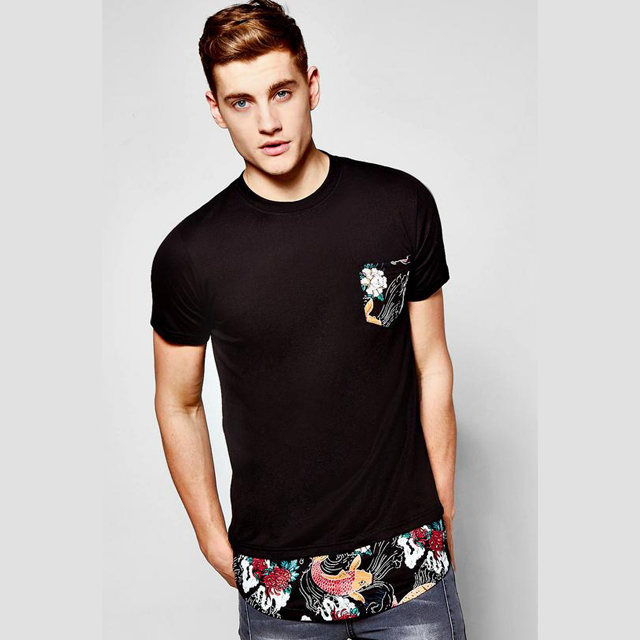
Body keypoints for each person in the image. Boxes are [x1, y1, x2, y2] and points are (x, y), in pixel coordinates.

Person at [150, 1, 467, 638]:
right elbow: (177, 401)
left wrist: (443, 516)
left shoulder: (400, 206)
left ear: (311, 86)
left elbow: (432, 364)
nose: (267, 122)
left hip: (411, 567)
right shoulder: (191, 254)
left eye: (281, 92)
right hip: (277, 583)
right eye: (241, 102)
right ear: (215, 109)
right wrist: (214, 542)